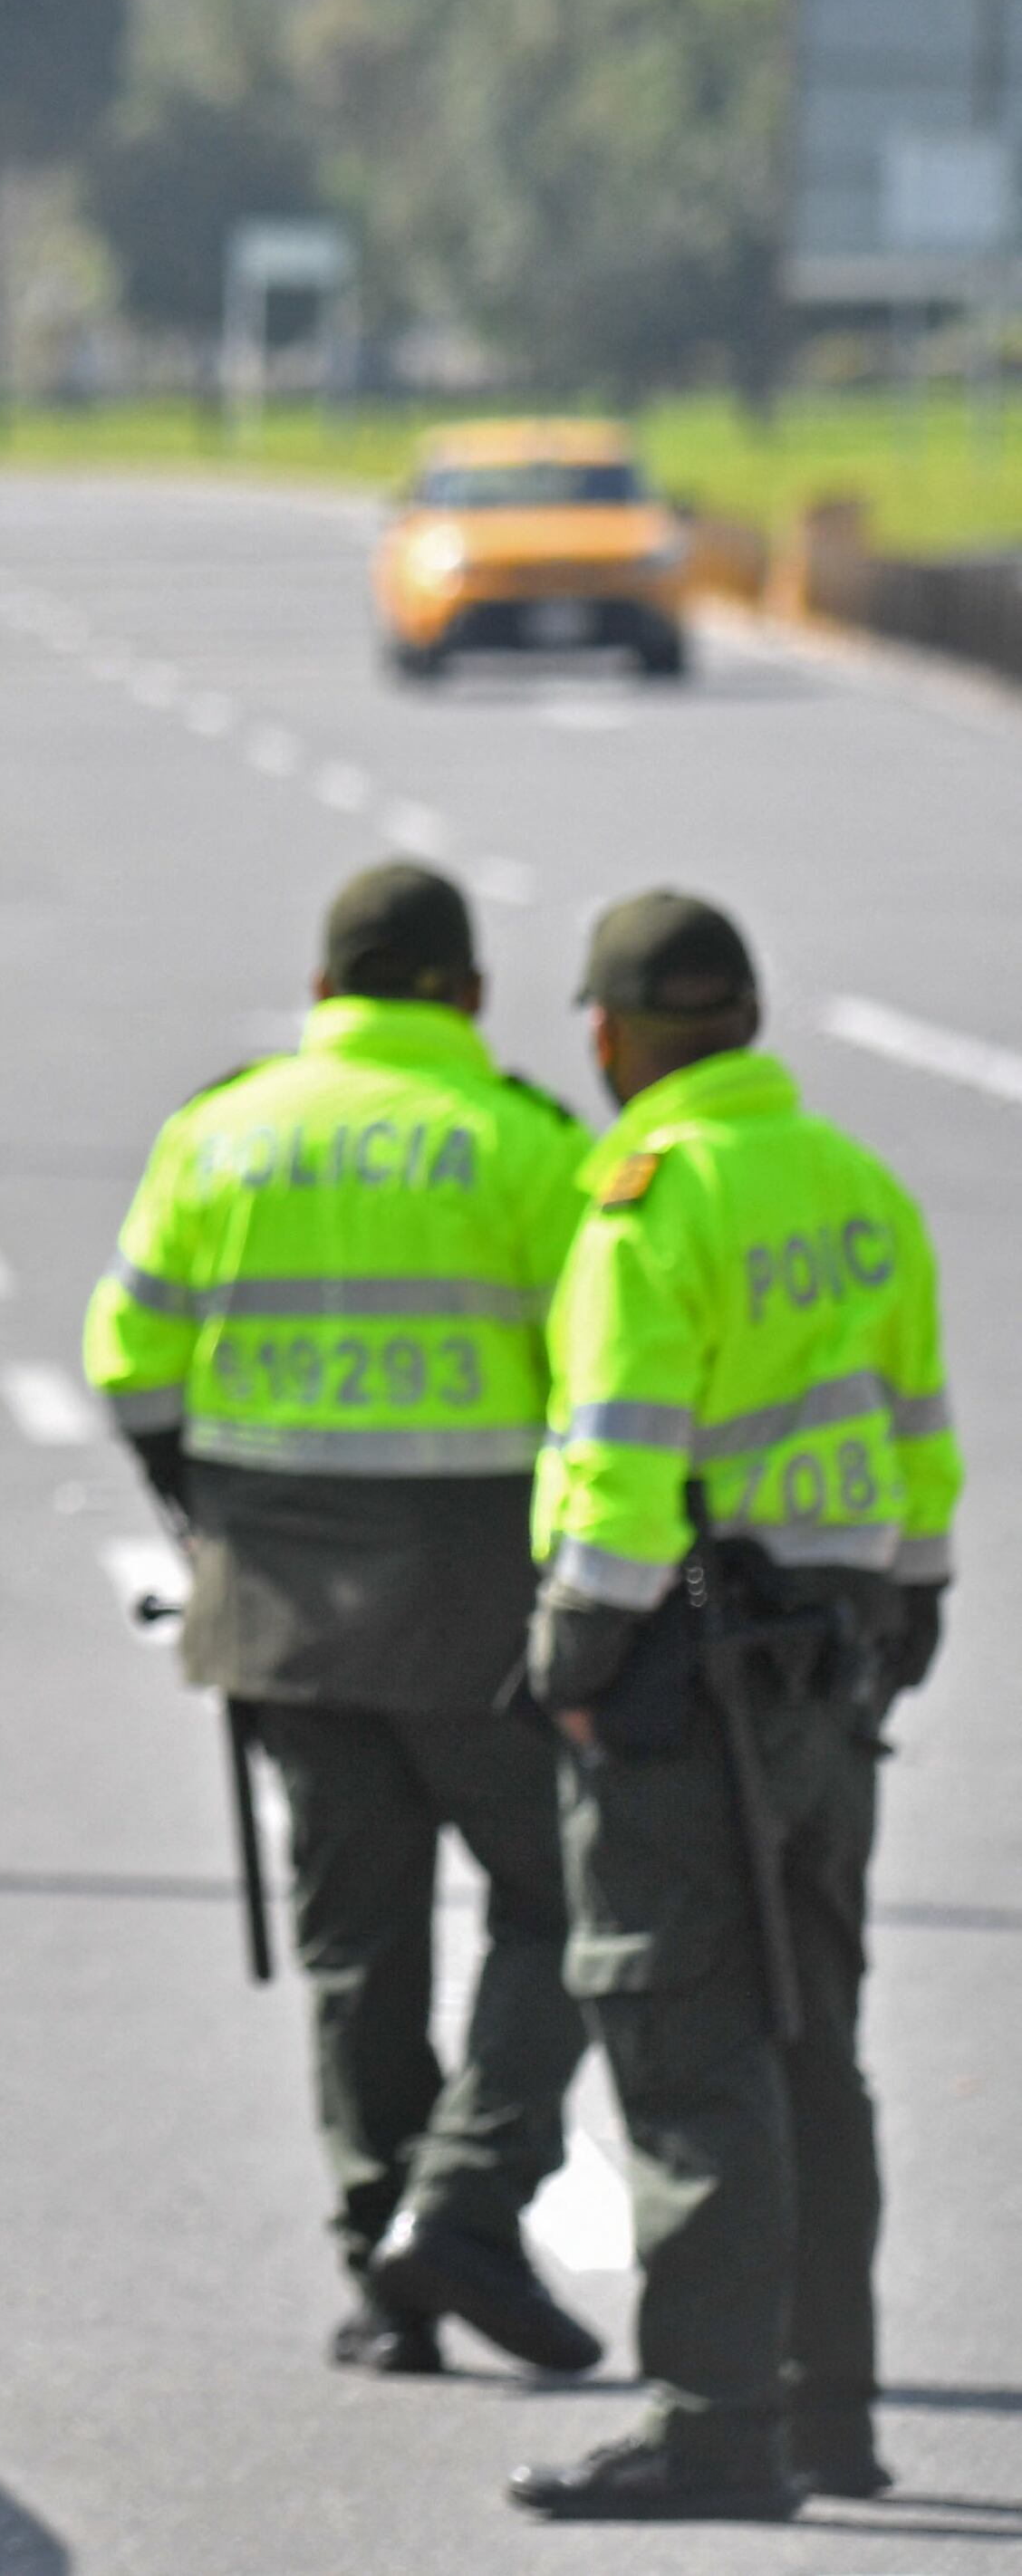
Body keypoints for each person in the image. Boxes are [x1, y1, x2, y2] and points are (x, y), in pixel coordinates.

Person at [80, 862, 602, 2379]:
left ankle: (387, 2257)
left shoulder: (221, 1129)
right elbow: (602, 1374)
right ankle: (464, 2203)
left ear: (326, 993)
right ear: (468, 994)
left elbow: (130, 1360)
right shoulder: (523, 1141)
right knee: (563, 1901)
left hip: (286, 1612)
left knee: (355, 1938)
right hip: (484, 1609)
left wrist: (211, 1510)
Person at [506, 892, 961, 2522]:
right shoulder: (854, 1181)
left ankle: (714, 2426)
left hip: (680, 1680)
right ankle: (831, 2409)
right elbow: (919, 1429)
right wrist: (910, 1597)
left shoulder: (645, 1200)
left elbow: (623, 1462)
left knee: (687, 2038)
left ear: (613, 1034)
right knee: (813, 2041)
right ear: (751, 1015)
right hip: (831, 1665)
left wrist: (566, 1660)